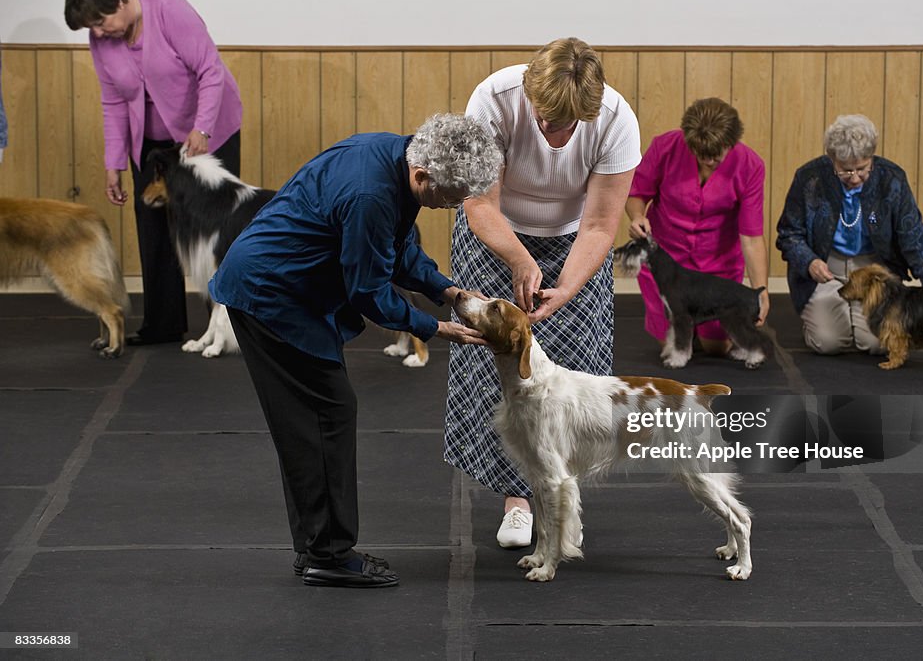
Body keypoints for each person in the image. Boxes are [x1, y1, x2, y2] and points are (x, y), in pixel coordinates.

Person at [209, 114, 503, 588]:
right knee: (324, 415)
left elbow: (399, 247)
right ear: (423, 175)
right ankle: (327, 554)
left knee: (316, 418)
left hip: (288, 289)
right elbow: (367, 289)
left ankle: (317, 549)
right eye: (450, 198)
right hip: (272, 297)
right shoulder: (371, 195)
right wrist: (434, 327)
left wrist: (450, 292)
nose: (451, 207)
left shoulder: (393, 154)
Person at [444, 37, 641, 549]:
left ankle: (558, 495)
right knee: (496, 370)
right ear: (529, 94)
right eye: (545, 119)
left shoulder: (616, 121)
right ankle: (516, 501)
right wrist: (519, 257)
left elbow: (600, 225)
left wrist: (568, 285)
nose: (552, 133)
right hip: (496, 235)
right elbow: (479, 205)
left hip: (575, 242)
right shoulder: (494, 99)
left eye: (566, 124)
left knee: (572, 377)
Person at [65, 0, 242, 345]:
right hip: (149, 140)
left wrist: (202, 129)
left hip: (206, 131)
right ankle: (162, 325)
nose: (97, 33)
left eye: (99, 23)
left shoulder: (168, 8)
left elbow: (210, 71)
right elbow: (112, 102)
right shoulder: (102, 38)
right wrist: (113, 163)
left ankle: (231, 324)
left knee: (215, 232)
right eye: (92, 29)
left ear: (118, 3)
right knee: (154, 227)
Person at [776, 114, 923, 354]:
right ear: (832, 159)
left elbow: (914, 237)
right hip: (826, 268)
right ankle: (823, 317)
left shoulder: (892, 179)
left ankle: (855, 319)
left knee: (878, 343)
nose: (854, 178)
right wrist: (809, 262)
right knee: (829, 342)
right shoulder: (809, 178)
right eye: (845, 171)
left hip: (875, 272)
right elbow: (789, 234)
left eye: (862, 169)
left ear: (872, 159)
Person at [626, 97, 769, 357]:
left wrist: (762, 292)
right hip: (666, 261)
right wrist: (636, 216)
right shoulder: (665, 146)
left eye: (716, 155)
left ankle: (705, 332)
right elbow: (637, 194)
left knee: (716, 347)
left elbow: (751, 238)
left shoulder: (751, 166)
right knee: (671, 344)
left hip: (717, 266)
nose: (709, 160)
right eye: (701, 154)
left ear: (731, 143)